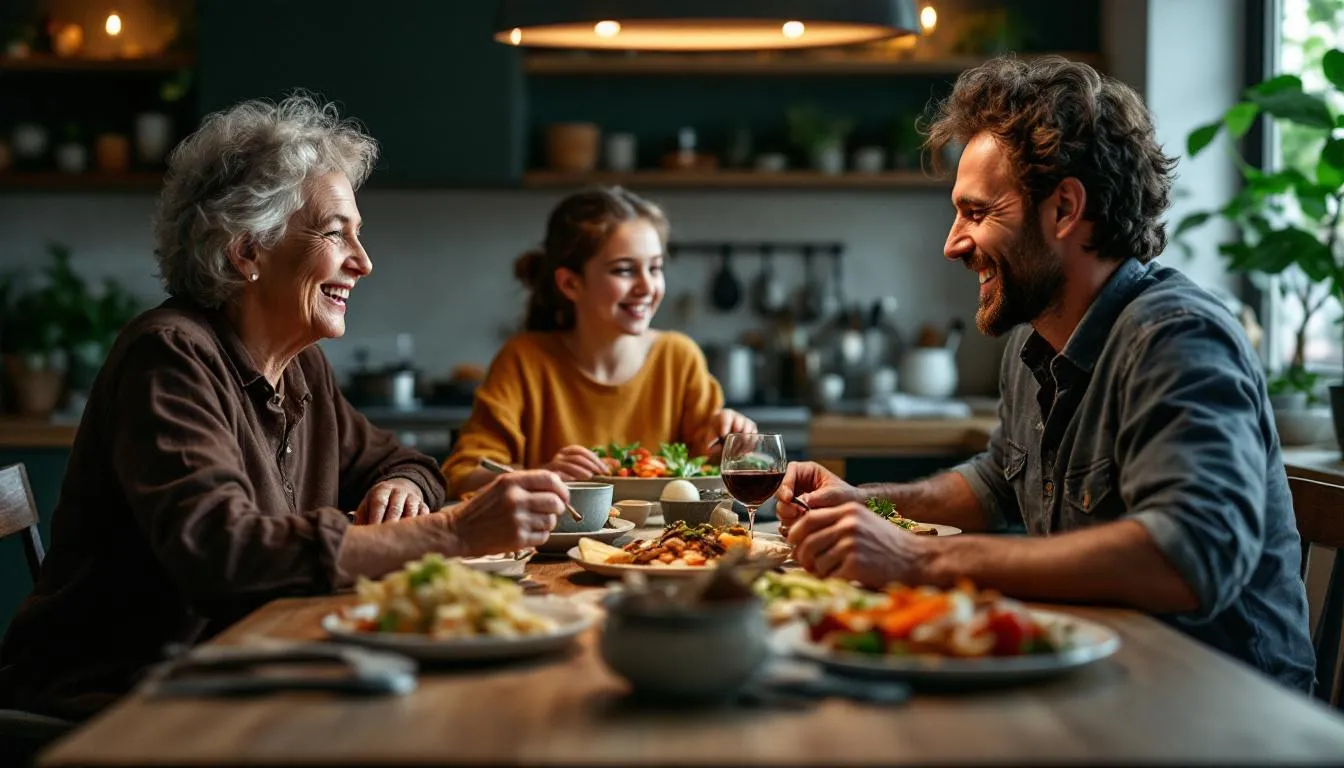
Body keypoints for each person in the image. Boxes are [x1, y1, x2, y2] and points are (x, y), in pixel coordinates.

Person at [0, 95, 570, 721]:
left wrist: (405, 485)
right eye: (335, 233)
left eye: (359, 234)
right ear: (247, 251)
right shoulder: (169, 355)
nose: (363, 261)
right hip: (122, 703)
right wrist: (453, 532)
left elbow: (401, 460)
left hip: (248, 673)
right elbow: (225, 553)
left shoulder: (297, 364)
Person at [776, 56, 1315, 691]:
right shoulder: (1033, 340)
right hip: (1098, 684)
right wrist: (864, 507)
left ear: (1063, 209)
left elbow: (1187, 558)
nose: (951, 243)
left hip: (1217, 710)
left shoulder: (1174, 337)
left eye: (976, 213)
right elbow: (995, 485)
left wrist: (916, 557)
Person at [442, 187, 755, 497]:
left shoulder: (679, 358)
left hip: (668, 545)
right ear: (571, 283)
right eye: (624, 270)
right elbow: (462, 473)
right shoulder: (523, 361)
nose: (647, 286)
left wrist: (732, 440)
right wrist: (537, 476)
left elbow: (710, 462)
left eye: (655, 268)